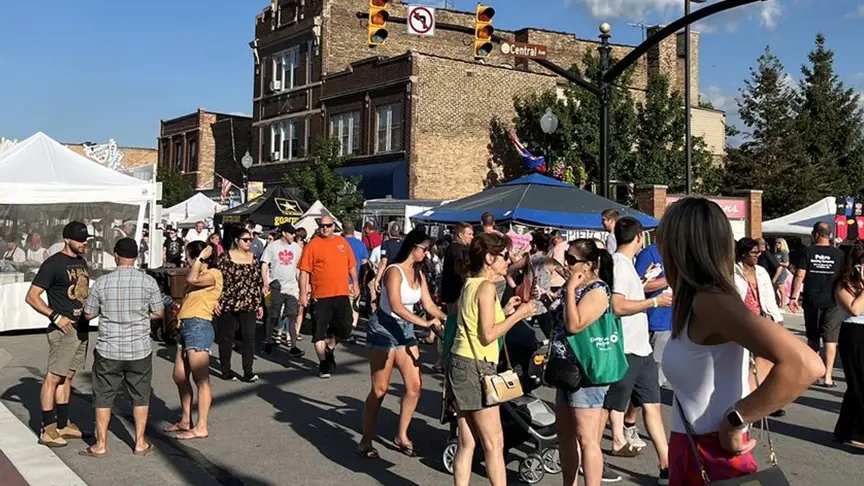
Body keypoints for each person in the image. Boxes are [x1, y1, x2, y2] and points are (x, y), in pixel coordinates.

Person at [658, 197, 824, 484]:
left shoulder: (710, 301)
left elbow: (806, 364)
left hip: (712, 454)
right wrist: (743, 385)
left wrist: (737, 418)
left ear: (678, 246)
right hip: (692, 448)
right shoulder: (695, 300)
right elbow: (759, 360)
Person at [448, 232, 535, 486]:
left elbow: (476, 322)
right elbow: (488, 335)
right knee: (494, 442)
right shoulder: (486, 287)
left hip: (461, 361)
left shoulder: (471, 282)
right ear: (489, 258)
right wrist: (519, 315)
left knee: (467, 442)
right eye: (503, 256)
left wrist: (505, 311)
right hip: (477, 366)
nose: (508, 261)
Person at [358, 229, 447, 459]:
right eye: (424, 249)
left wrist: (448, 319)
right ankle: (366, 439)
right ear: (412, 247)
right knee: (380, 389)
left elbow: (428, 304)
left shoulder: (419, 274)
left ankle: (402, 435)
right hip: (385, 329)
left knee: (415, 386)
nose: (426, 253)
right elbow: (396, 306)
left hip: (405, 330)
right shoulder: (393, 271)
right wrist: (425, 324)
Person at [79, 238, 163, 457]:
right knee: (140, 395)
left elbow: (88, 314)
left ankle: (101, 444)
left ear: (116, 255)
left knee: (103, 397)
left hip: (109, 349)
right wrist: (142, 315)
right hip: (139, 349)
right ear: (136, 257)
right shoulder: (148, 282)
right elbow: (159, 312)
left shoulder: (102, 283)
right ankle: (140, 442)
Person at [605, 217, 672, 484]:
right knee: (608, 409)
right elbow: (618, 306)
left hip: (641, 348)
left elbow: (630, 296)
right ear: (639, 238)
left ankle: (666, 465)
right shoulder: (619, 265)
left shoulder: (629, 265)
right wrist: (654, 302)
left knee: (652, 407)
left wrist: (645, 284)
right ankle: (588, 459)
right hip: (627, 349)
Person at [551, 239, 615, 486]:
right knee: (565, 435)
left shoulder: (597, 290)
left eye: (571, 260)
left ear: (588, 265)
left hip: (586, 370)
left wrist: (568, 290)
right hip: (564, 367)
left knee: (586, 437)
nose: (566, 264)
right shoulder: (575, 286)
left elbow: (575, 325)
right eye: (566, 257)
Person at [24, 222, 92, 448]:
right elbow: (32, 296)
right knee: (53, 377)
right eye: (80, 240)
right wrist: (55, 317)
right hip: (63, 330)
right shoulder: (53, 264)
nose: (84, 244)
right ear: (67, 239)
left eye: (86, 241)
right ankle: (47, 428)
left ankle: (63, 424)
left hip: (80, 328)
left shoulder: (81, 262)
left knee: (68, 376)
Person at [165, 241, 222, 440]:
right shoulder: (198, 275)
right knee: (179, 376)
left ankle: (201, 426)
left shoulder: (213, 274)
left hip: (199, 326)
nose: (186, 260)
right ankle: (186, 419)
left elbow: (192, 278)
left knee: (201, 379)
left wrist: (199, 259)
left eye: (187, 256)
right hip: (186, 327)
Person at [298, 216, 359, 378]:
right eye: (322, 226)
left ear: (334, 226)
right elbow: (304, 271)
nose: (325, 228)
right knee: (318, 333)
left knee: (346, 328)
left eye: (328, 226)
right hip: (320, 296)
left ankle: (330, 346)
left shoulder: (342, 243)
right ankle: (323, 364)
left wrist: (356, 283)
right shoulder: (313, 245)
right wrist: (303, 294)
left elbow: (351, 265)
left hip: (341, 293)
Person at [734, 238, 787, 418]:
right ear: (743, 254)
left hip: (762, 318)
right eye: (753, 253)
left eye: (758, 253)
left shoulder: (762, 271)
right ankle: (746, 399)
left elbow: (768, 296)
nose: (757, 256)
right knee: (745, 362)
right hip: (742, 321)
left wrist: (777, 318)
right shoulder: (733, 271)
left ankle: (767, 401)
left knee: (766, 360)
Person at [790, 221, 845, 387]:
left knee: (813, 338)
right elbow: (844, 277)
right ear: (829, 235)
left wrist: (793, 297)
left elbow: (800, 275)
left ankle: (813, 373)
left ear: (815, 234)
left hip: (812, 299)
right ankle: (827, 376)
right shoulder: (839, 254)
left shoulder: (808, 251)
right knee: (830, 340)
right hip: (833, 301)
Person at [216, 227, 264, 382]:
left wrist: (259, 304)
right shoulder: (224, 257)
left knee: (249, 337)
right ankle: (225, 370)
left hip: (249, 302)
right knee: (226, 337)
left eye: (251, 239)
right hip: (228, 301)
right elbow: (217, 280)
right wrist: (215, 300)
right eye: (246, 239)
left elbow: (256, 282)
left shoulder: (254, 258)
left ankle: (248, 371)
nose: (249, 242)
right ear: (236, 240)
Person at [833, 241, 864, 448]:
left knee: (857, 385)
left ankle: (845, 429)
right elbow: (855, 309)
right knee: (859, 383)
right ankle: (858, 433)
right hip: (854, 333)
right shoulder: (843, 284)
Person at [261, 223, 305, 357]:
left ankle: (293, 346)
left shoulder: (297, 248)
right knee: (273, 316)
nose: (293, 236)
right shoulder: (272, 246)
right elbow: (264, 265)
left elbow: (298, 268)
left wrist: (302, 285)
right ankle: (269, 342)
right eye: (291, 233)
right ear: (284, 233)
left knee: (292, 316)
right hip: (276, 286)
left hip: (292, 287)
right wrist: (265, 282)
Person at [343, 221, 369, 344]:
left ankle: (340, 330)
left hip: (340, 280)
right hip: (355, 281)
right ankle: (351, 331)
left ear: (343, 230)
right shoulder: (361, 245)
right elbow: (364, 264)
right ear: (354, 231)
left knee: (341, 306)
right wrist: (362, 279)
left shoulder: (339, 243)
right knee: (354, 306)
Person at [373, 222, 403, 291]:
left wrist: (377, 280)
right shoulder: (404, 244)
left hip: (389, 274)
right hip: (402, 275)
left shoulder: (386, 243)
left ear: (389, 232)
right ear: (399, 233)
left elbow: (383, 263)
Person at [774, 238, 791, 307]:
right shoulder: (776, 253)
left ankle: (783, 304)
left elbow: (786, 264)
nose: (777, 244)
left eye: (779, 243)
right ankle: (777, 303)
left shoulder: (784, 252)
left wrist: (778, 263)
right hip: (776, 272)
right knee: (774, 288)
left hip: (782, 272)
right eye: (776, 243)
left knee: (781, 288)